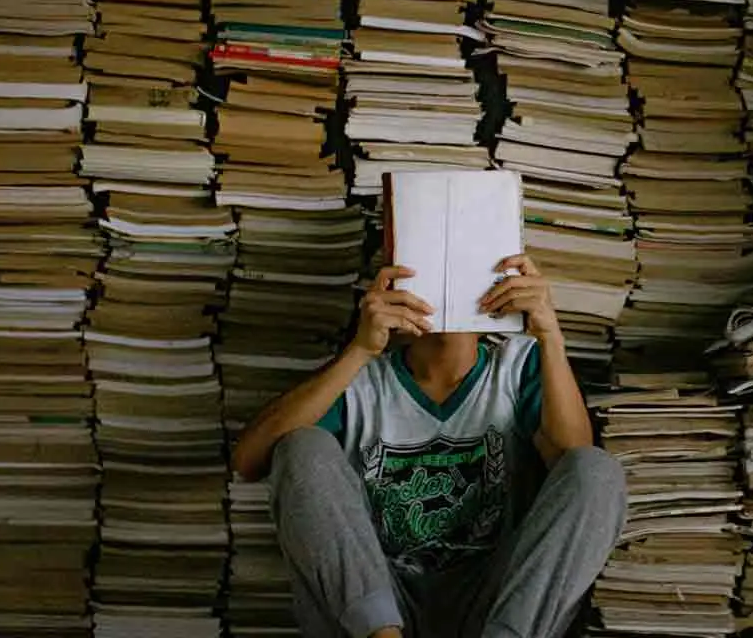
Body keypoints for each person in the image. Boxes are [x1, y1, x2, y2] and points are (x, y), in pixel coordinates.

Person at [232, 254, 627, 638]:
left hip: (495, 602)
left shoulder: (518, 367)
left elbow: (576, 472)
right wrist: (360, 350)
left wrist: (550, 336)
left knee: (598, 468)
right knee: (302, 445)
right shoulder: (360, 380)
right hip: (377, 603)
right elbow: (250, 461)